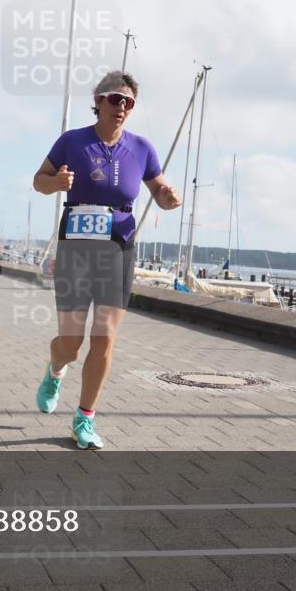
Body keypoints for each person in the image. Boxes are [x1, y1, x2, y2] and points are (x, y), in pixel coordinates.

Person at [32, 71, 181, 449]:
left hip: (119, 246)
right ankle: (55, 369)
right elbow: (39, 180)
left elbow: (158, 186)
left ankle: (84, 419)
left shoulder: (142, 148)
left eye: (129, 102)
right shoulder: (72, 141)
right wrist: (57, 184)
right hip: (76, 246)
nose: (121, 107)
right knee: (71, 343)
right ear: (98, 100)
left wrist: (165, 196)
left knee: (105, 339)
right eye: (115, 99)